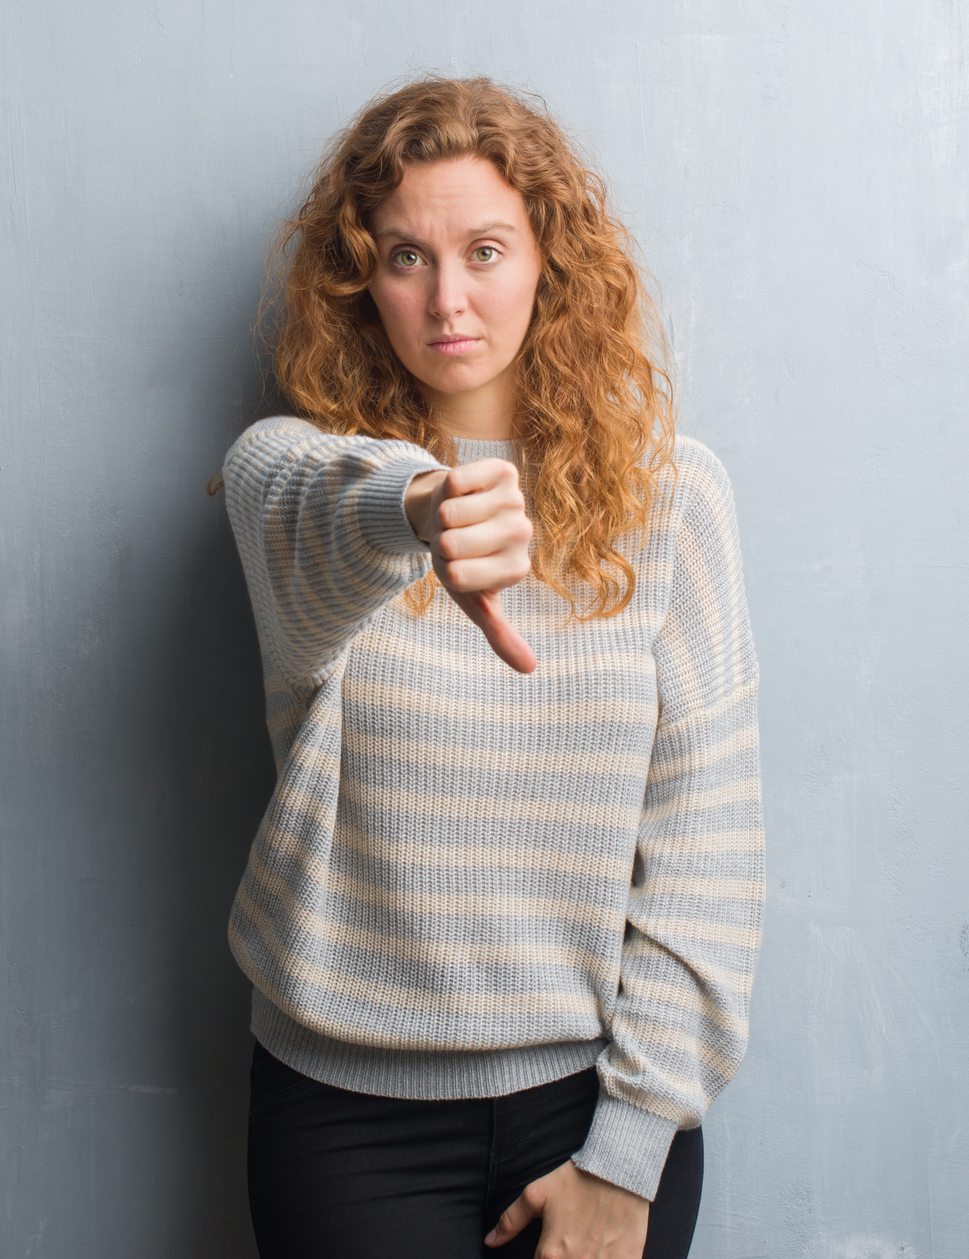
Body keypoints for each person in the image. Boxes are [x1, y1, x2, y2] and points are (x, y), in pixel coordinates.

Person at [217, 78, 764, 1259]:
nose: (449, 298)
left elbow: (708, 858)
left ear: (549, 259)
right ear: (362, 278)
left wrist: (628, 1154)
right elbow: (313, 500)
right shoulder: (299, 483)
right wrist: (423, 504)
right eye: (406, 256)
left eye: (484, 249)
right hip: (344, 1121)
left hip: (599, 1108)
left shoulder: (675, 501)